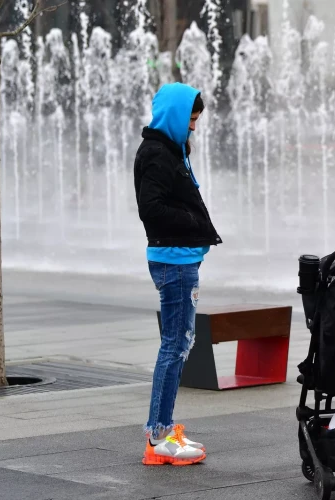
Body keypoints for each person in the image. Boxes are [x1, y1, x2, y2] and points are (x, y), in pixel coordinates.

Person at [134, 82, 222, 465]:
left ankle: (164, 429)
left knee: (179, 342)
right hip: (174, 261)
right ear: (174, 117)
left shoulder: (171, 150)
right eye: (190, 120)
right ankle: (159, 435)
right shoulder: (156, 154)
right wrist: (191, 221)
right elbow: (150, 209)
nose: (194, 128)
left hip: (181, 259)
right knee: (174, 344)